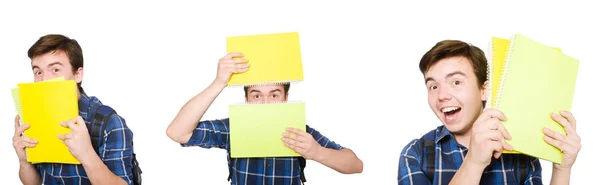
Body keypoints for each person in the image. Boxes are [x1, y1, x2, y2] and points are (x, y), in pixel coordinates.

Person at [397, 40, 581, 185]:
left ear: (484, 90)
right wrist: (474, 163)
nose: (442, 96)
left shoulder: (521, 154)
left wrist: (561, 169)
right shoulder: (415, 155)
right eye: (433, 86)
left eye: (456, 82)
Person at [166, 52, 363, 185]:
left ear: (286, 98)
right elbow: (177, 132)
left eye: (274, 95)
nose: (266, 102)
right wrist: (219, 82)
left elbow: (356, 165)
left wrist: (317, 152)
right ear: (247, 99)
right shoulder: (234, 128)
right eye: (257, 95)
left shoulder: (301, 132)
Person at [12, 34, 136, 185]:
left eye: (55, 70)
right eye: (38, 72)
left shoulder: (109, 123)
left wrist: (86, 154)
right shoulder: (34, 117)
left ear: (78, 74)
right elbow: (35, 183)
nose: (44, 80)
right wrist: (24, 161)